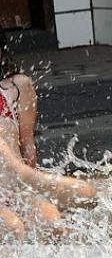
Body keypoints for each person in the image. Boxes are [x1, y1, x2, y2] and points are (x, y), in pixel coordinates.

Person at [0, 26, 62, 241]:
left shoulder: (16, 87)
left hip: (16, 189)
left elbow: (28, 150)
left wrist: (31, 187)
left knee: (51, 223)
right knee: (13, 228)